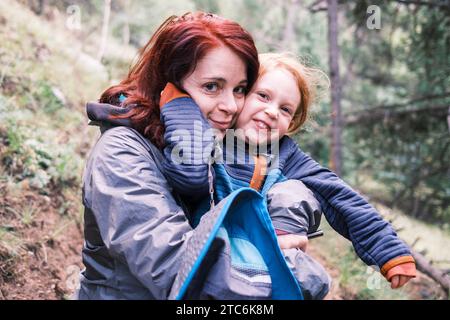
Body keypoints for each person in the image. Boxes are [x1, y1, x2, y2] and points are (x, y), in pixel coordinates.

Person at [155, 52, 417, 291]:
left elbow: (341, 196)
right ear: (241, 95)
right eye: (263, 96)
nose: (271, 112)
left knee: (296, 198)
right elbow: (187, 172)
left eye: (285, 109)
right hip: (209, 251)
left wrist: (388, 249)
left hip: (264, 256)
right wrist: (182, 107)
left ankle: (282, 256)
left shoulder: (287, 156)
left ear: (291, 123)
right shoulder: (211, 134)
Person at [76, 12, 262, 300]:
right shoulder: (120, 152)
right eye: (211, 86)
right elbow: (182, 271)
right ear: (168, 86)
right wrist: (295, 274)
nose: (231, 106)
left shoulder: (215, 144)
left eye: (239, 89)